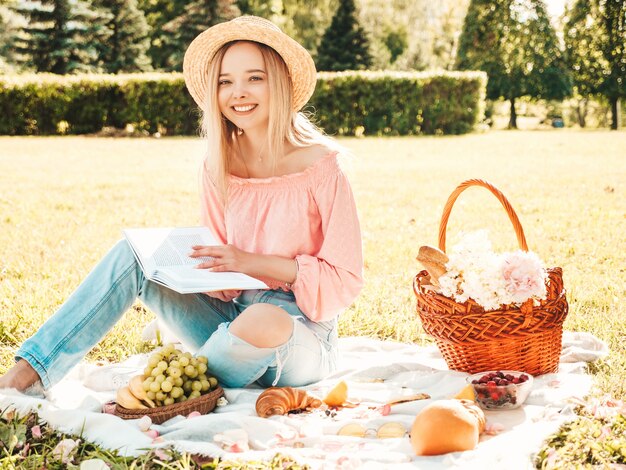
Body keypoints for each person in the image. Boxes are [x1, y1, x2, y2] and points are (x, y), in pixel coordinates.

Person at [0, 16, 363, 392]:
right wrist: (195, 268)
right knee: (134, 253)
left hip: (298, 332)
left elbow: (345, 279)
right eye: (225, 81)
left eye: (254, 78)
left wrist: (250, 262)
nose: (238, 92)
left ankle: (170, 385)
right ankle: (28, 373)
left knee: (264, 318)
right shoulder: (218, 163)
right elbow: (222, 275)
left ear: (282, 83)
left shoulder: (323, 166)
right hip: (228, 317)